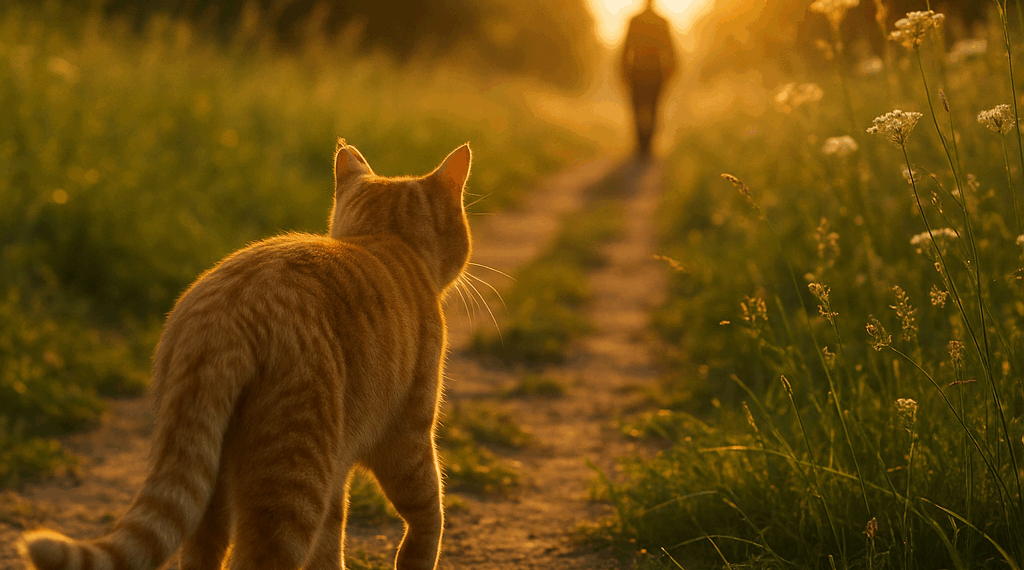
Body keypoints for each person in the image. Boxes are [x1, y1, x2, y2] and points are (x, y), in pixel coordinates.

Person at [620, 0, 678, 156]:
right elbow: (670, 49)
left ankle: (642, 145)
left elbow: (626, 48)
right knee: (652, 109)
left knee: (638, 109)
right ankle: (646, 146)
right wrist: (671, 72)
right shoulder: (662, 21)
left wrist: (623, 72)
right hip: (655, 74)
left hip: (638, 73)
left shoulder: (635, 20)